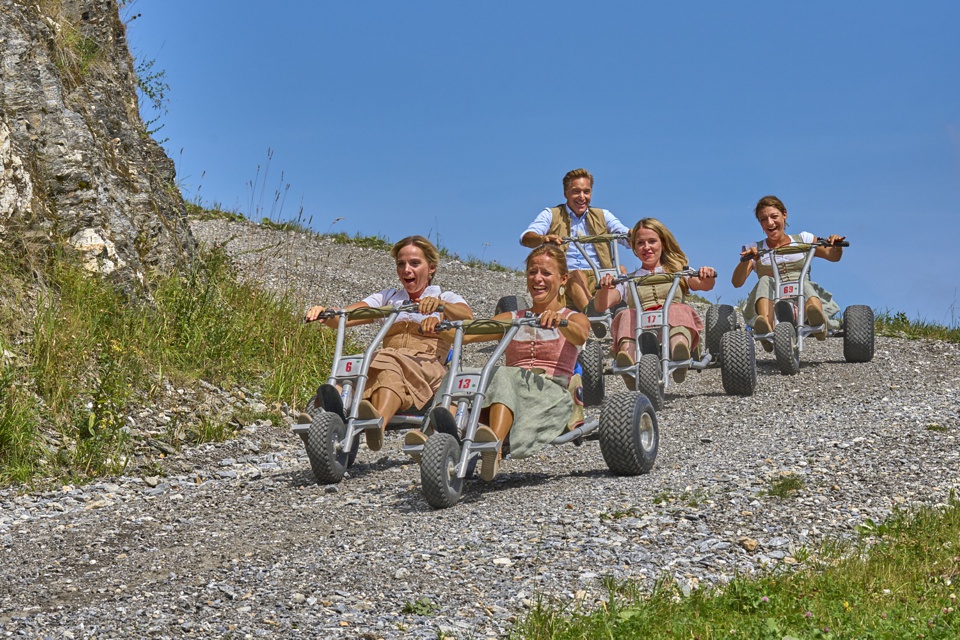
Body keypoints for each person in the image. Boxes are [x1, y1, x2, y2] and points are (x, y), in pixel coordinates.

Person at [418, 244, 590, 481]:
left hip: (549, 394)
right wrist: (438, 326)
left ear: (563, 279)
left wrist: (560, 321)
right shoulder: (513, 318)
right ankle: (437, 438)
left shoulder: (573, 318)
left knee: (502, 375)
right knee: (463, 374)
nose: (537, 279)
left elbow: (580, 335)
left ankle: (494, 449)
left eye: (546, 273)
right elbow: (467, 335)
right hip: (511, 389)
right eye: (532, 272)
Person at [304, 235, 473, 451]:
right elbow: (345, 317)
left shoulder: (445, 296)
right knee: (373, 370)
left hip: (426, 367)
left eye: (414, 263)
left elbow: (467, 318)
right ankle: (323, 420)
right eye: (401, 264)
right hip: (388, 363)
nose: (406, 270)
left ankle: (373, 423)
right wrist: (324, 313)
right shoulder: (390, 298)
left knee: (384, 361)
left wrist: (441, 307)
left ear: (431, 268)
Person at [594, 218, 716, 385]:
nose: (646, 247)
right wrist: (604, 288)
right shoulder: (629, 279)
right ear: (635, 249)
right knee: (625, 313)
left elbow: (705, 286)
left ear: (663, 244)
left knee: (677, 308)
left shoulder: (678, 271)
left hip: (672, 326)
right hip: (641, 331)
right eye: (640, 243)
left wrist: (706, 274)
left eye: (652, 241)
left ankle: (679, 350)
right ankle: (628, 358)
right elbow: (601, 306)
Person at [731, 195, 844, 350]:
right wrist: (746, 260)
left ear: (784, 215)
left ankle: (817, 320)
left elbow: (833, 256)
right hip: (772, 301)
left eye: (774, 216)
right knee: (765, 280)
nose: (769, 223)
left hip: (802, 298)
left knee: (802, 281)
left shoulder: (803, 238)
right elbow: (737, 282)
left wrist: (836, 245)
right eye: (763, 219)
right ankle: (765, 325)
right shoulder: (754, 247)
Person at [520, 168, 630, 313]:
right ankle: (594, 314)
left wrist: (638, 233)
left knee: (621, 270)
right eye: (576, 191)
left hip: (600, 276)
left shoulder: (603, 215)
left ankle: (620, 312)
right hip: (569, 278)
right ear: (565, 194)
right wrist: (543, 238)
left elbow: (626, 235)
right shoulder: (551, 214)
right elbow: (526, 238)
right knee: (577, 274)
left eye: (586, 191)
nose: (582, 197)